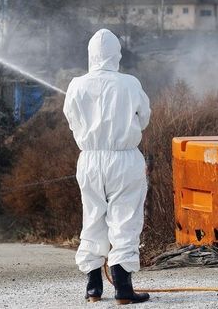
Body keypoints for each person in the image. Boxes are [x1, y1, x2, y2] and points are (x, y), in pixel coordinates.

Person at [63, 29, 151, 304]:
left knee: (92, 218)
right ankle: (123, 289)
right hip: (124, 158)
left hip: (89, 159)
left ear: (91, 55)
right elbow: (144, 118)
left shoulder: (76, 84)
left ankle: (93, 288)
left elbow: (71, 119)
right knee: (125, 219)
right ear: (117, 55)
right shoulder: (129, 83)